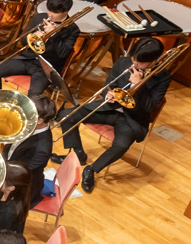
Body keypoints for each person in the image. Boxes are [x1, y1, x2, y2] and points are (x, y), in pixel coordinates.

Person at [53, 37, 170, 193]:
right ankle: (78, 153)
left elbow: (149, 106)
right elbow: (109, 84)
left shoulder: (162, 77)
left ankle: (92, 169)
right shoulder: (123, 62)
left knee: (121, 145)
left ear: (153, 61)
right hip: (109, 108)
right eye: (134, 59)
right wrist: (108, 93)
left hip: (131, 119)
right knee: (67, 115)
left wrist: (139, 85)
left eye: (140, 62)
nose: (135, 64)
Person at [0, 0, 79, 97]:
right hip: (27, 59)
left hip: (45, 68)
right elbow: (23, 41)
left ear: (66, 11)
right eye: (49, 10)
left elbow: (63, 54)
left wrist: (54, 34)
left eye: (54, 12)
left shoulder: (73, 29)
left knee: (34, 94)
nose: (50, 14)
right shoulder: (39, 18)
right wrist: (33, 35)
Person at [6, 96, 55, 207]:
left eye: (27, 112)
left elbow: (19, 173)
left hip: (21, 190)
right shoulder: (28, 125)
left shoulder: (42, 149)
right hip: (10, 169)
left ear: (39, 120)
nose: (21, 115)